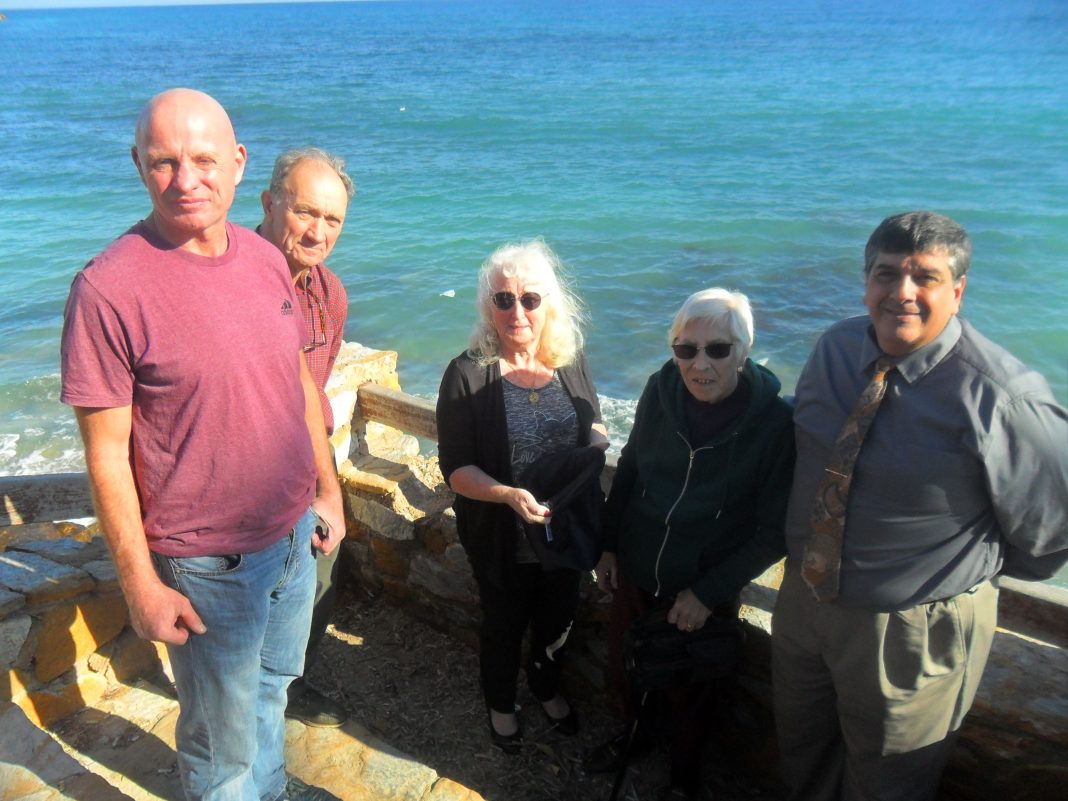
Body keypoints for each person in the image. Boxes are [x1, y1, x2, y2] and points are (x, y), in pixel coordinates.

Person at [60, 88, 345, 801]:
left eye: (203, 160)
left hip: (291, 537)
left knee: (273, 690)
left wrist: (328, 491)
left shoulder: (264, 259)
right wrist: (139, 585)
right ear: (137, 164)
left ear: (239, 163)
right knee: (220, 743)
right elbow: (105, 455)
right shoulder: (107, 289)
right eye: (163, 162)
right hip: (206, 564)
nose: (186, 180)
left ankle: (272, 788)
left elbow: (299, 386)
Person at [772, 211, 1068, 801]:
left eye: (924, 278)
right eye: (886, 274)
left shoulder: (1003, 399)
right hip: (804, 603)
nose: (901, 293)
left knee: (887, 785)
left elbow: (1050, 534)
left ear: (957, 291)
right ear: (865, 282)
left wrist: (953, 576)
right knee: (801, 755)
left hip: (909, 633)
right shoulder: (833, 351)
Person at [588, 288, 795, 801]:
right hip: (638, 566)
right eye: (686, 349)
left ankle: (684, 777)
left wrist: (707, 593)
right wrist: (609, 546)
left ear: (744, 352)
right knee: (625, 667)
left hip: (704, 584)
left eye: (718, 349)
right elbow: (630, 470)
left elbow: (774, 531)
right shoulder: (660, 391)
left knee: (692, 693)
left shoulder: (773, 424)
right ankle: (632, 737)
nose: (700, 364)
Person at [436, 240, 609, 754]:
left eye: (530, 299)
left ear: (549, 305)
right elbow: (456, 470)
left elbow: (592, 418)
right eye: (503, 299)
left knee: (558, 620)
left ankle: (546, 686)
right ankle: (501, 702)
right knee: (504, 624)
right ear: (488, 307)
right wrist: (509, 494)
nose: (517, 311)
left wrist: (598, 439)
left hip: (564, 533)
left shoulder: (570, 362)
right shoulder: (466, 373)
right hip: (501, 537)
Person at [258, 147, 354, 729]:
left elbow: (314, 390)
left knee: (319, 577)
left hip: (306, 472)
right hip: (246, 486)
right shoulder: (233, 278)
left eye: (333, 219)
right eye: (305, 213)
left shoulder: (329, 295)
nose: (318, 232)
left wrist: (327, 485)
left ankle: (291, 683)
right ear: (269, 204)